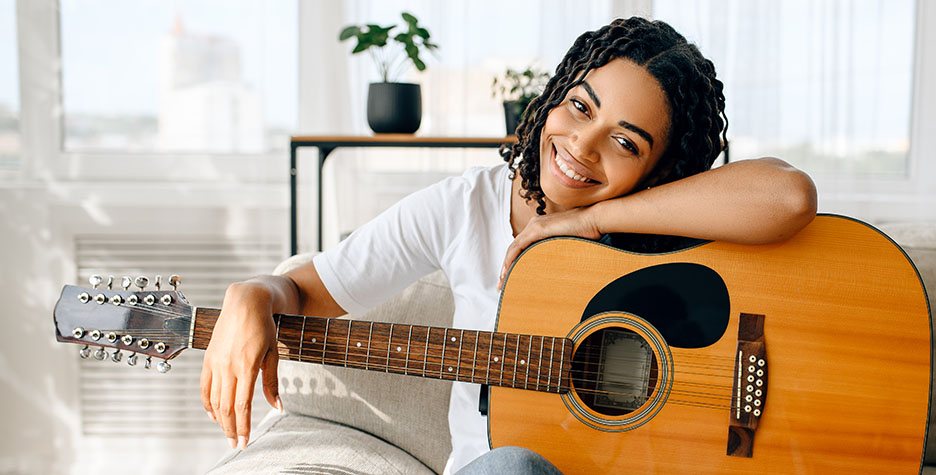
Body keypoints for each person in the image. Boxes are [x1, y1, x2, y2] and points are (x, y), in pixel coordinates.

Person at [200, 16, 817, 475]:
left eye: (626, 143)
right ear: (553, 96)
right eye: (580, 106)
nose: (582, 144)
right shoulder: (465, 207)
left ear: (660, 171)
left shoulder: (672, 223)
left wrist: (595, 222)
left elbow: (789, 199)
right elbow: (310, 290)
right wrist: (254, 292)